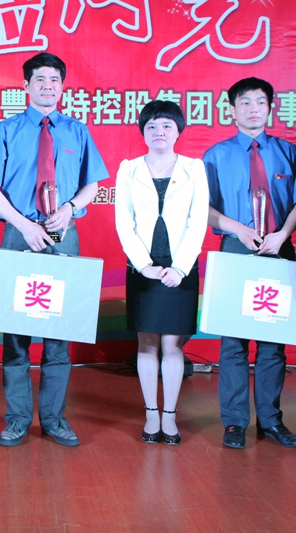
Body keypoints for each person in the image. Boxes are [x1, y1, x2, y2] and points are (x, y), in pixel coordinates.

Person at [0, 52, 109, 448]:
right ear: (26, 86)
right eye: (40, 79)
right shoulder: (5, 130)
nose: (48, 86)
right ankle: (17, 420)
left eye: (54, 80)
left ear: (62, 86)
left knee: (59, 332)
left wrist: (70, 208)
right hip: (19, 235)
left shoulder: (76, 131)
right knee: (15, 334)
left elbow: (92, 184)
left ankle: (54, 419)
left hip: (63, 234)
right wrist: (23, 224)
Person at [203, 78, 296, 450]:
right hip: (236, 250)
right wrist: (239, 230)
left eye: (260, 102)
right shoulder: (216, 155)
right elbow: (204, 209)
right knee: (233, 342)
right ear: (232, 109)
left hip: (278, 249)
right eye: (244, 102)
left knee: (273, 343)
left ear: (269, 108)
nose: (252, 109)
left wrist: (283, 235)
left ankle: (271, 421)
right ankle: (234, 423)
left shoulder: (287, 152)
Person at [114, 100, 208, 446]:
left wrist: (180, 268)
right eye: (151, 126)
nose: (159, 132)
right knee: (147, 343)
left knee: (172, 344)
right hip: (143, 266)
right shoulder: (129, 169)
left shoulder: (194, 168)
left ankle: (169, 415)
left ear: (178, 130)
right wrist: (143, 265)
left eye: (167, 125)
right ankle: (150, 414)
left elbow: (198, 220)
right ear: (143, 131)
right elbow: (124, 221)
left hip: (180, 266)